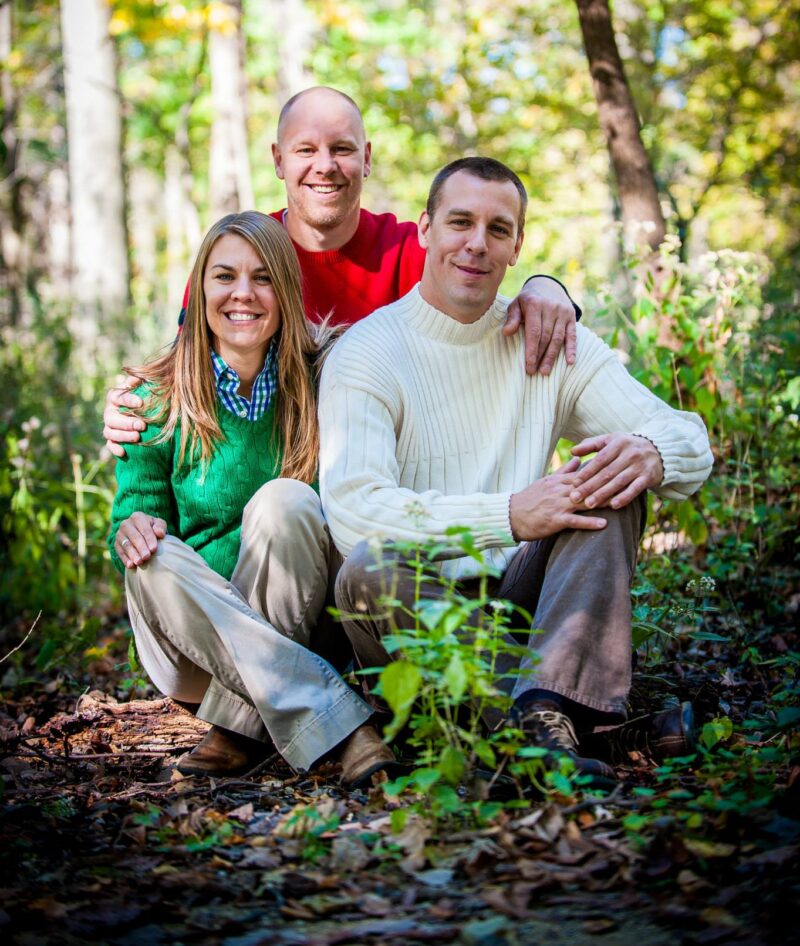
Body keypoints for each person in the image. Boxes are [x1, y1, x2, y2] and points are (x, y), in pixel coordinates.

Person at [319, 157, 714, 784]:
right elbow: (354, 512)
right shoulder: (368, 351)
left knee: (612, 476)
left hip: (530, 605)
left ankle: (539, 716)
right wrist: (508, 515)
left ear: (517, 246)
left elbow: (686, 434)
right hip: (420, 611)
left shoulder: (547, 338)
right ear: (424, 229)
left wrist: (651, 451)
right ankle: (575, 727)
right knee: (368, 569)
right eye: (460, 222)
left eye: (498, 229)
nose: (477, 244)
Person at [102, 87, 581, 458]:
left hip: (393, 472)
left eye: (342, 149)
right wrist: (132, 406)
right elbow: (185, 372)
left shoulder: (408, 251)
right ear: (278, 160)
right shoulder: (239, 262)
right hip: (271, 478)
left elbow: (483, 287)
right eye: (306, 150)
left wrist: (546, 286)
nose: (325, 166)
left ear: (366, 158)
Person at [108, 210, 397, 786]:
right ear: (201, 289)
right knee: (151, 555)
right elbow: (133, 516)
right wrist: (131, 529)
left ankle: (241, 727)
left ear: (286, 290)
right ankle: (340, 723)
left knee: (286, 500)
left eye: (263, 277)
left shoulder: (328, 378)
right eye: (225, 276)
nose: (243, 293)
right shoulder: (153, 396)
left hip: (307, 625)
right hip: (195, 651)